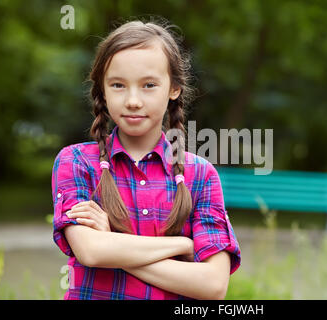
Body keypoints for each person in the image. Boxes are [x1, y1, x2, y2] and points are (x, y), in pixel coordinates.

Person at [51, 18, 241, 300]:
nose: (133, 100)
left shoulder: (200, 174)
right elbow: (92, 252)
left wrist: (113, 244)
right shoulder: (76, 161)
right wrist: (183, 245)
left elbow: (213, 286)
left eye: (149, 85)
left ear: (174, 88)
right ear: (102, 88)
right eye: (118, 85)